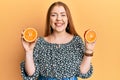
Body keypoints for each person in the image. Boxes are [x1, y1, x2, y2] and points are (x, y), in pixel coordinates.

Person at [20, 1, 96, 80]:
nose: (59, 18)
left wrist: (89, 50)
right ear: (49, 19)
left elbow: (83, 72)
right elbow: (31, 74)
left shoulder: (76, 41)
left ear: (68, 18)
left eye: (63, 15)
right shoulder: (39, 42)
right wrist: (28, 51)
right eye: (54, 15)